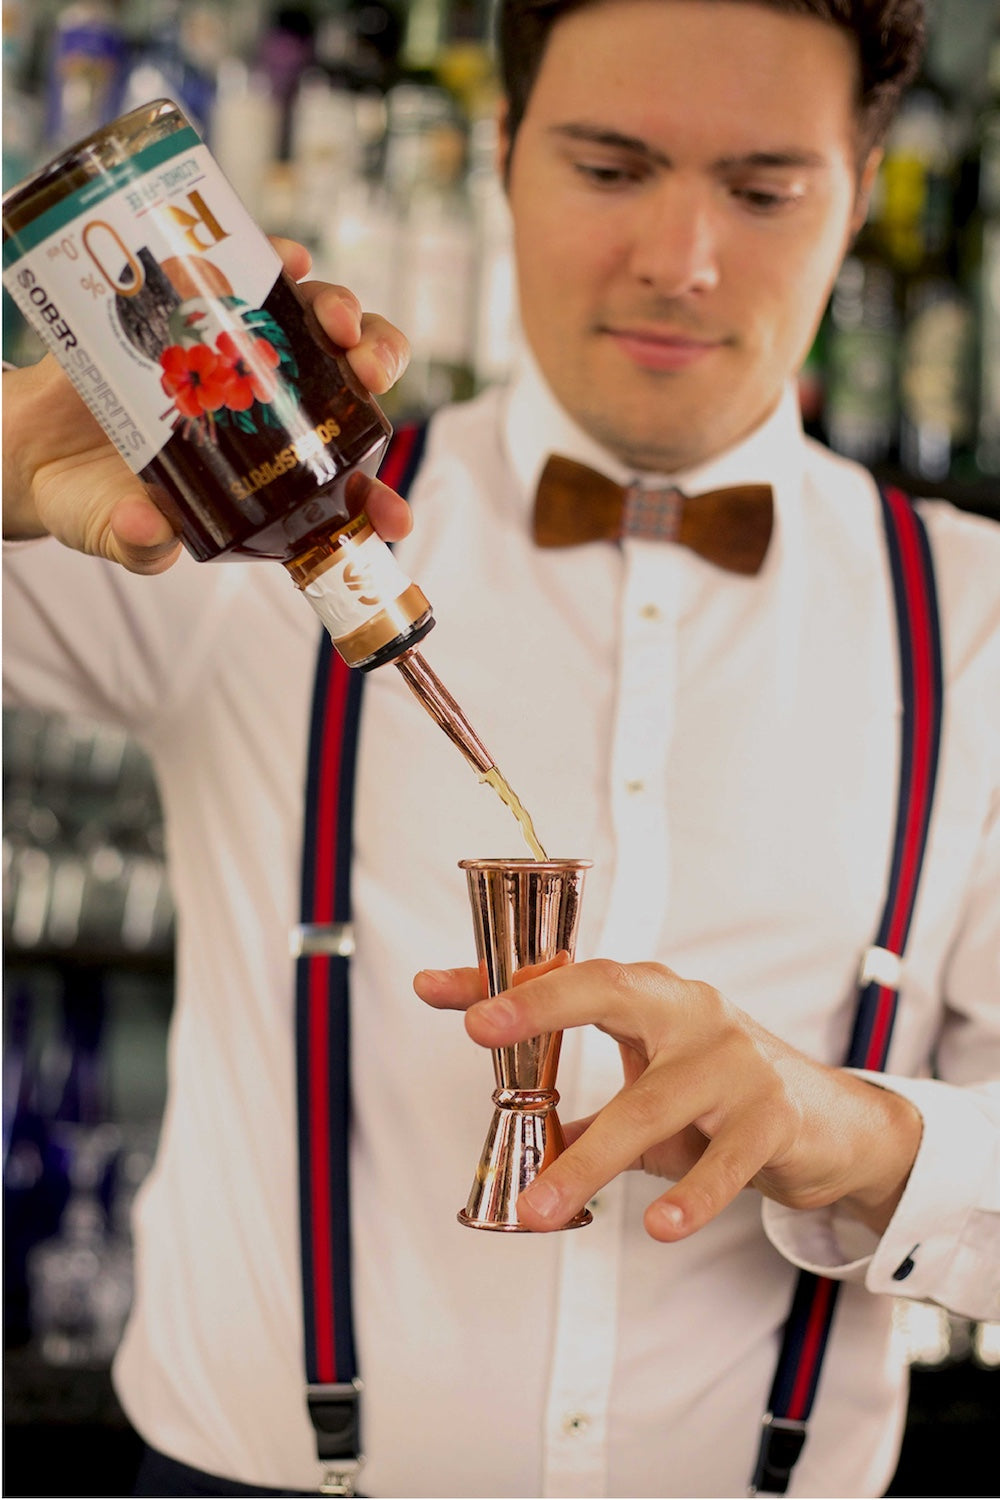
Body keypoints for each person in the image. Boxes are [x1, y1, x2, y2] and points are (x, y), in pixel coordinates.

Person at [3, 1, 998, 1496]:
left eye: (762, 189)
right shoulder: (222, 516)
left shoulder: (979, 618)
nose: (680, 259)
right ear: (501, 155)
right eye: (611, 169)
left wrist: (844, 1128)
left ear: (858, 195)